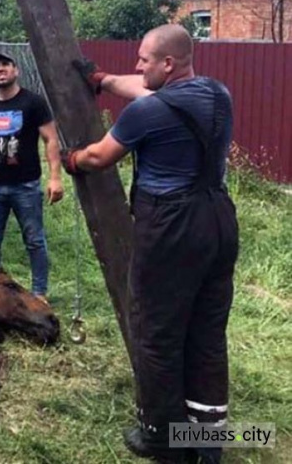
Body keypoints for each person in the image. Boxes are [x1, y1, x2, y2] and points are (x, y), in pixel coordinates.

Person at [65, 24, 238, 463]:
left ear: (168, 63)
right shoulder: (216, 95)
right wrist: (102, 81)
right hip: (218, 218)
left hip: (171, 224)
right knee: (206, 329)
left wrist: (72, 159)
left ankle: (162, 438)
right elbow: (142, 90)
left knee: (156, 333)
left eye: (144, 59)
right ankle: (208, 439)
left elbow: (100, 156)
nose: (138, 66)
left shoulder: (148, 114)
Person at [0, 53, 64, 302]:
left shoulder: (33, 103)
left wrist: (55, 178)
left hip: (26, 185)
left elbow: (51, 139)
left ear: (15, 70)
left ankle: (39, 292)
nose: (0, 70)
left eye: (5, 65)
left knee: (34, 239)